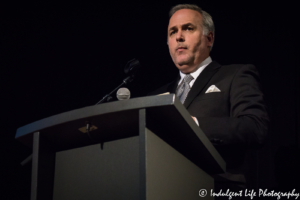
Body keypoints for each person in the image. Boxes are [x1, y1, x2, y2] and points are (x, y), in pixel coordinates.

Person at [149, 4, 269, 190]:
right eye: (173, 32)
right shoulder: (156, 96)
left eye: (188, 28)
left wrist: (194, 125)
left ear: (209, 38)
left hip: (216, 188)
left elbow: (255, 127)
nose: (179, 37)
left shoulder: (235, 75)